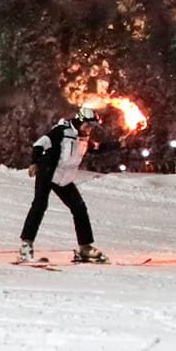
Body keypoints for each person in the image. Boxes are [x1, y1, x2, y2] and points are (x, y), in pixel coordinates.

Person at [19, 104, 106, 263]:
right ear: (80, 121)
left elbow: (94, 151)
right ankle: (26, 245)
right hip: (48, 173)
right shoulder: (61, 131)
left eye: (92, 126)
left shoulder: (83, 137)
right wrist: (34, 162)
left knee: (79, 208)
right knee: (39, 206)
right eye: (88, 125)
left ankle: (85, 247)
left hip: (64, 178)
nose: (89, 129)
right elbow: (40, 144)